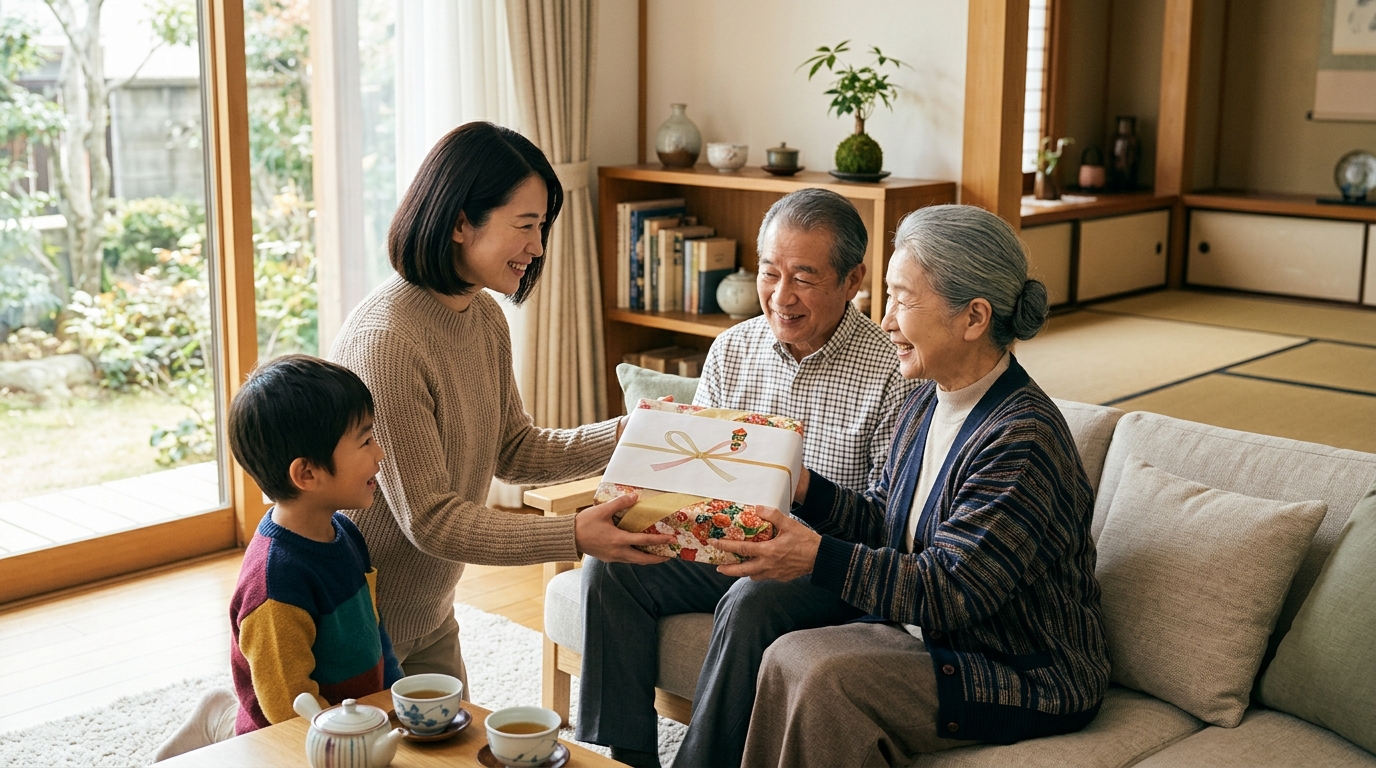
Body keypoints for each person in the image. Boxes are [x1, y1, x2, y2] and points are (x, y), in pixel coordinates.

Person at [712, 204, 1111, 767]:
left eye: (902, 298)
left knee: (817, 671)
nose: (886, 321)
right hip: (935, 634)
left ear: (973, 318)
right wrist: (802, 485)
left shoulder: (1022, 438)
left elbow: (952, 591)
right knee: (784, 648)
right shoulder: (928, 396)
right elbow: (886, 519)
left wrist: (814, 556)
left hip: (1020, 669)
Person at [577, 189, 919, 768]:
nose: (780, 297)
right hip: (724, 539)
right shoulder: (733, 348)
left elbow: (888, 522)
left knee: (753, 598)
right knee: (613, 562)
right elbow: (696, 480)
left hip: (823, 565)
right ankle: (625, 756)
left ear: (854, 278)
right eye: (768, 273)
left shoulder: (894, 372)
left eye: (804, 278)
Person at [329, 122, 671, 691]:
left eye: (543, 228)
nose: (538, 247)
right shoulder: (386, 341)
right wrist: (574, 534)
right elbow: (431, 520)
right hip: (359, 616)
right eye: (526, 226)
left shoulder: (482, 315)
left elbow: (514, 449)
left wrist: (629, 433)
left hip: (431, 608)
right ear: (462, 221)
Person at [153, 354, 405, 761]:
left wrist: (396, 703)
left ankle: (219, 712)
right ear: (307, 475)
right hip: (286, 742)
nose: (380, 453)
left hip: (349, 722)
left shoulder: (347, 533)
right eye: (365, 440)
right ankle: (222, 726)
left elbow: (374, 632)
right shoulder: (275, 585)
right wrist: (350, 744)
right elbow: (289, 709)